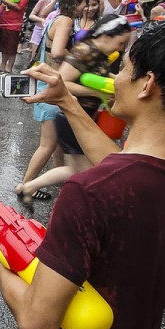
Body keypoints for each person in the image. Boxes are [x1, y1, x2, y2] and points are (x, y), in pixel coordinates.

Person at [2, 14, 165, 329]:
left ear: (147, 84)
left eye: (126, 70)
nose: (115, 79)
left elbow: (37, 322)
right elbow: (126, 169)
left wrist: (2, 267)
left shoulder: (89, 192)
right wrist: (67, 101)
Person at [18, 15, 131, 208]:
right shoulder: (84, 51)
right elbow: (63, 84)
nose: (120, 48)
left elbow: (102, 76)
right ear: (108, 35)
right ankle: (30, 188)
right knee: (84, 172)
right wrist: (96, 91)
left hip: (82, 118)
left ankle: (30, 187)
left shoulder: (98, 53)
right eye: (120, 42)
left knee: (79, 170)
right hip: (71, 119)